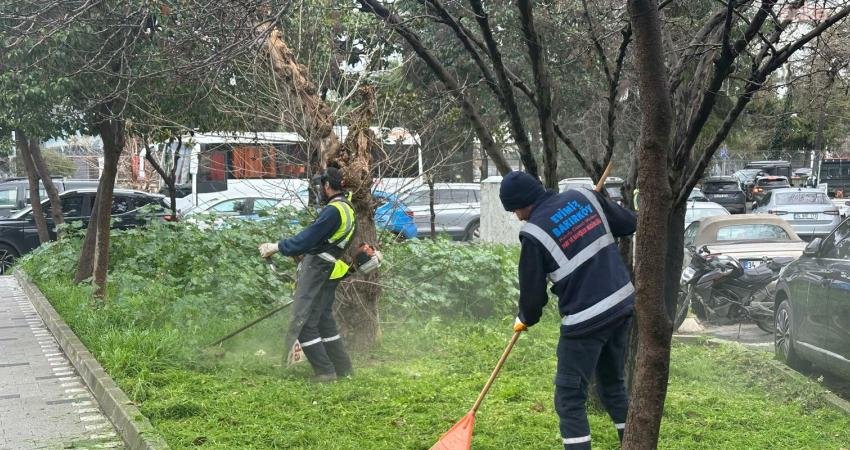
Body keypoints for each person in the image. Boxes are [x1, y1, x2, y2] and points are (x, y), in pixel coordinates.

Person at [499, 171, 636, 450]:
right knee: (612, 386)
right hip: (622, 305)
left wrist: (525, 318)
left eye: (515, 210)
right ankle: (634, 444)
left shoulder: (533, 233)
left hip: (586, 320)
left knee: (569, 397)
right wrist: (598, 205)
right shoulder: (584, 196)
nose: (518, 217)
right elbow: (628, 224)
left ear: (524, 203)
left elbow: (533, 298)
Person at [258, 167, 354, 383]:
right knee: (323, 321)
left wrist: (277, 247)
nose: (320, 189)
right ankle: (343, 368)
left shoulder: (333, 210)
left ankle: (325, 372)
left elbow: (308, 238)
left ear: (327, 186)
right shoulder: (348, 208)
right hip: (329, 269)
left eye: (321, 186)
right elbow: (327, 241)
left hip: (318, 269)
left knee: (303, 322)